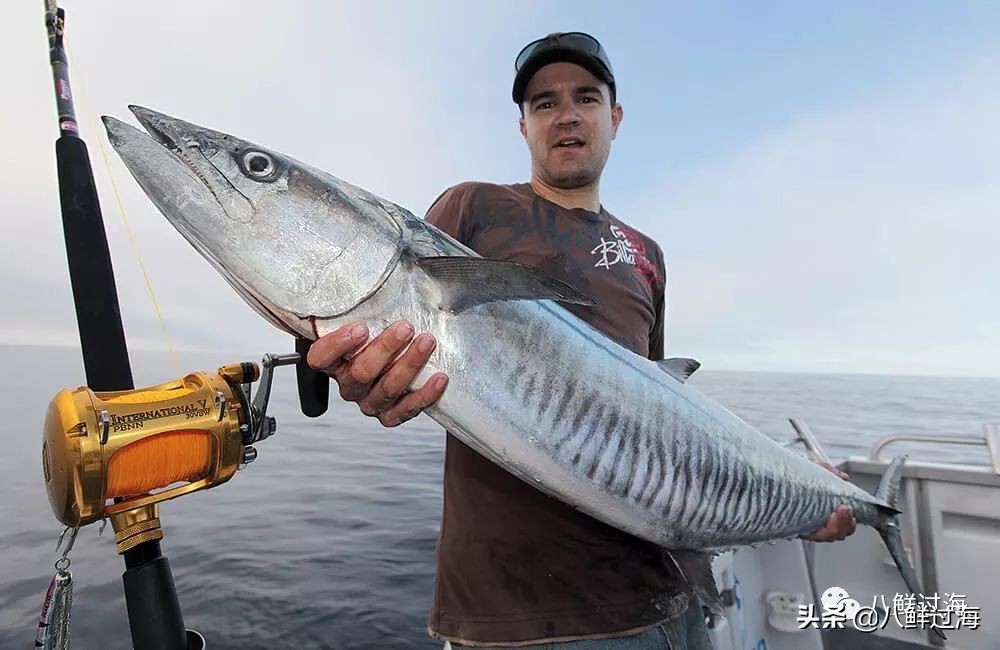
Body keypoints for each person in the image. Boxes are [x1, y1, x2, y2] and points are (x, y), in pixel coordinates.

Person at [307, 32, 856, 649]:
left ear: (614, 118)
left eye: (585, 97)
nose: (566, 114)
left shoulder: (646, 254)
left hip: (669, 607)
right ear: (523, 127)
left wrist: (801, 497)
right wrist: (360, 368)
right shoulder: (474, 208)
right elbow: (395, 324)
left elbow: (659, 403)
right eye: (544, 103)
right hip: (520, 618)